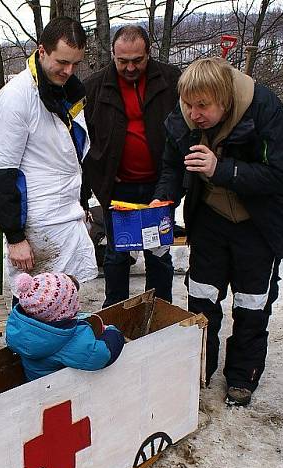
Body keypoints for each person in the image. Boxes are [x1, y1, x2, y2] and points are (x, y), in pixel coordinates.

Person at [152, 57, 283, 407]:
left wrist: (223, 170)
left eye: (203, 106)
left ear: (225, 99)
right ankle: (200, 365)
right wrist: (162, 200)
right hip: (210, 218)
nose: (194, 114)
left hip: (260, 221)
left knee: (252, 302)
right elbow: (171, 167)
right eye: (188, 105)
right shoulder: (182, 116)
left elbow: (280, 175)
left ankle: (242, 376)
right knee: (202, 296)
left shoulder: (263, 108)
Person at [0, 17, 97, 297]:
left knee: (65, 304)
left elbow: (72, 157)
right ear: (42, 51)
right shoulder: (16, 98)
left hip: (66, 215)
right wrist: (14, 237)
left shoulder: (67, 92)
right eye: (62, 62)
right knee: (35, 305)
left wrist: (81, 202)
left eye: (75, 64)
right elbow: (1, 173)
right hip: (37, 225)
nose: (69, 70)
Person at [82, 25, 180, 307]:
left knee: (158, 254)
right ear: (112, 54)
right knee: (116, 255)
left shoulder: (171, 81)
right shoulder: (94, 88)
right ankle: (116, 313)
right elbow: (83, 146)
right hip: (117, 187)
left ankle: (159, 310)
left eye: (137, 60)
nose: (129, 67)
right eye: (122, 60)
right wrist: (84, 194)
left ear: (149, 53)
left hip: (159, 187)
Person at [6, 272, 125, 381]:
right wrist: (113, 333)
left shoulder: (20, 327)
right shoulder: (69, 339)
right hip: (61, 391)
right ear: (66, 310)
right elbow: (101, 355)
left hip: (36, 384)